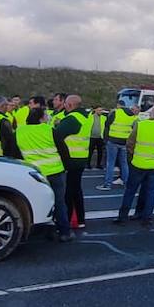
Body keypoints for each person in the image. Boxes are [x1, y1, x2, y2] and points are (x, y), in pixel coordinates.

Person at [10, 107, 73, 241]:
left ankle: (45, 230)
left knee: (38, 202)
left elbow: (12, 152)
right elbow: (63, 149)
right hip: (55, 171)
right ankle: (64, 232)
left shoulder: (19, 132)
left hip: (33, 174)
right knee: (59, 202)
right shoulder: (49, 130)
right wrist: (66, 166)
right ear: (40, 118)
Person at [116, 107, 154, 225]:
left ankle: (123, 217)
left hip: (137, 163)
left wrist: (132, 158)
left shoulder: (141, 125)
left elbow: (130, 143)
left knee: (130, 191)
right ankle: (147, 218)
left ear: (151, 115)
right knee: (150, 192)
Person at [53, 95, 92, 229]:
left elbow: (56, 135)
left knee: (68, 192)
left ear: (69, 105)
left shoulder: (72, 119)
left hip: (70, 159)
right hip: (82, 157)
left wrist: (57, 125)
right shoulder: (86, 117)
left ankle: (67, 221)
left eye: (65, 104)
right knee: (76, 190)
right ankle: (80, 220)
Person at [100, 102, 136, 189]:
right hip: (125, 141)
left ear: (118, 105)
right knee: (124, 163)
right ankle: (126, 182)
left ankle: (107, 184)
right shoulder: (132, 115)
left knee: (110, 163)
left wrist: (106, 139)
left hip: (113, 140)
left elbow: (107, 125)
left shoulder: (115, 112)